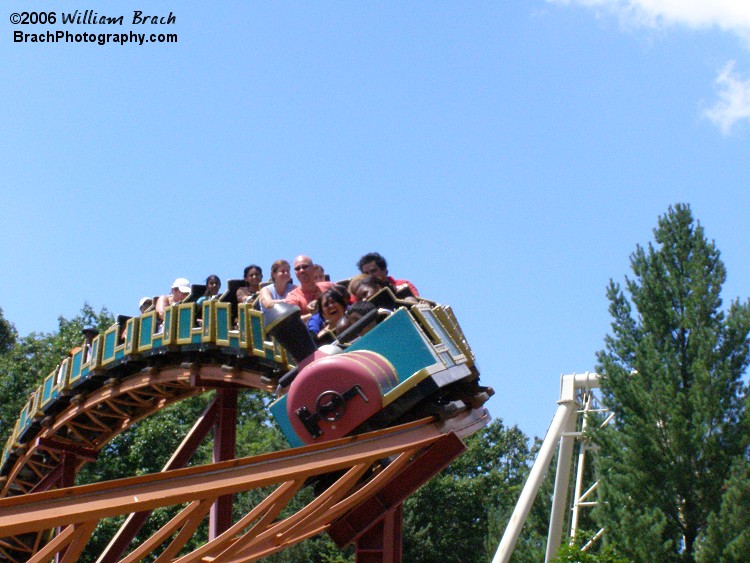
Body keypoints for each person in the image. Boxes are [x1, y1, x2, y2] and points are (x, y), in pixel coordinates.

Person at [284, 255, 333, 322]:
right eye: (297, 269)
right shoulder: (293, 298)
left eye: (304, 267)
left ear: (313, 268)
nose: (301, 271)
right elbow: (292, 321)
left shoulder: (329, 286)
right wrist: (314, 313)